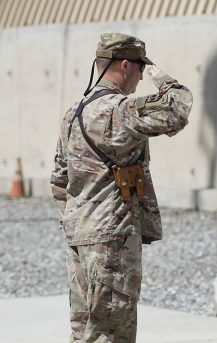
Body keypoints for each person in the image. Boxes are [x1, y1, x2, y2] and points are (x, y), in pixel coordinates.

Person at [50, 33, 193, 342]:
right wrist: (165, 79)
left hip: (79, 240)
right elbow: (178, 110)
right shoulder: (121, 110)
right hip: (111, 242)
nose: (142, 76)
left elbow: (59, 179)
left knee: (84, 332)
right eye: (141, 68)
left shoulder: (73, 113)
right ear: (125, 65)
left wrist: (75, 221)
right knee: (113, 334)